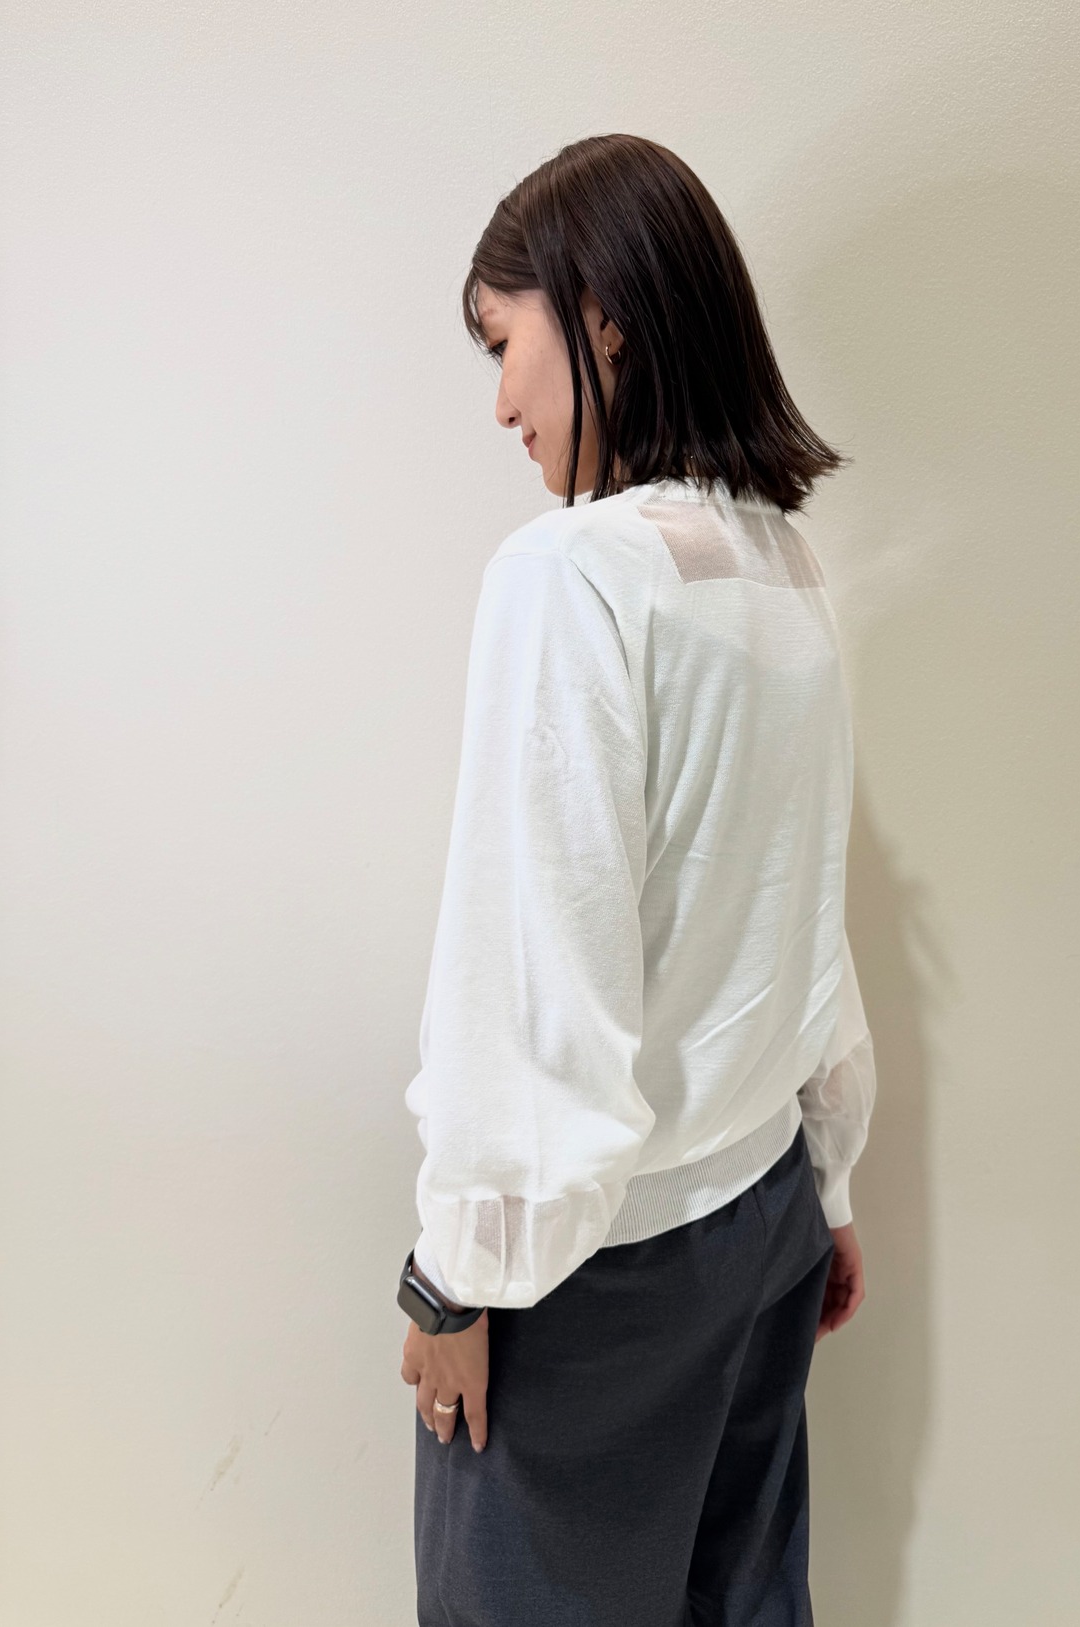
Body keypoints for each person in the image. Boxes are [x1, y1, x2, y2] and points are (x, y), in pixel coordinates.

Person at [397, 133, 877, 1627]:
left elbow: (531, 961)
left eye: (505, 342)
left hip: (597, 1274)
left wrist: (456, 1276)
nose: (501, 403)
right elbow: (803, 910)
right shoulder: (783, 567)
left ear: (601, 315)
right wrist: (828, 1178)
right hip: (762, 1212)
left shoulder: (571, 575)